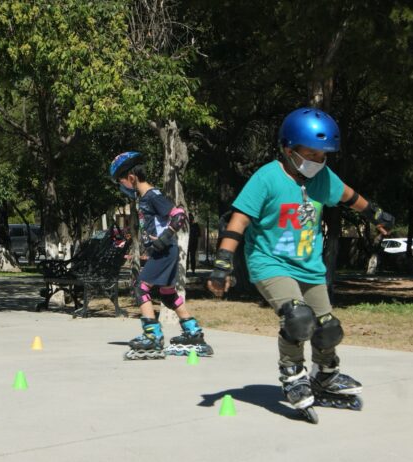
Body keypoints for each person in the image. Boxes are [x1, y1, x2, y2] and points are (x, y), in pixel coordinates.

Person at [207, 107, 394, 423]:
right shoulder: (266, 178)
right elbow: (238, 221)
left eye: (323, 155)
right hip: (270, 264)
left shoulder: (323, 177)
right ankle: (293, 375)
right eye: (311, 153)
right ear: (288, 148)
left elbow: (350, 196)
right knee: (298, 317)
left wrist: (375, 213)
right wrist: (222, 264)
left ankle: (326, 375)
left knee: (328, 328)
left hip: (310, 266)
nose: (317, 161)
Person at [109, 151, 212, 360]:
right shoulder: (145, 198)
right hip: (165, 251)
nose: (122, 187)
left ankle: (152, 336)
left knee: (141, 287)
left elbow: (179, 215)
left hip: (165, 250)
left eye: (121, 181)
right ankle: (193, 332)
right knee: (167, 293)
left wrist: (164, 238)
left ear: (131, 178)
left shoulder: (152, 196)